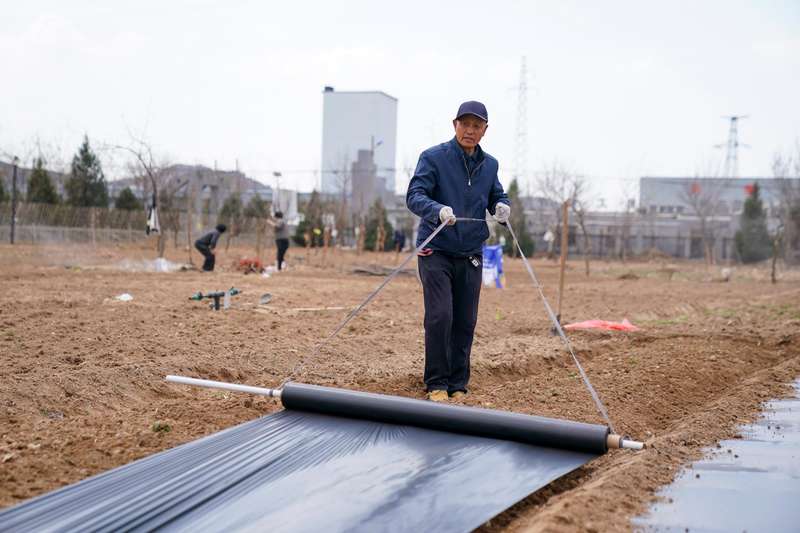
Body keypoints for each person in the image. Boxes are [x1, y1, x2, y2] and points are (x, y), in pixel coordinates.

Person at [406, 101, 511, 402]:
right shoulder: (433, 158)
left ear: (484, 131)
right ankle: (437, 382)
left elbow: (496, 196)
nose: (470, 130)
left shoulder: (490, 165)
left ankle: (458, 383)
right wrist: (436, 210)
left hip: (470, 251)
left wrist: (502, 207)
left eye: (476, 126)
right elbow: (415, 196)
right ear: (455, 125)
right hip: (436, 248)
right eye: (465, 124)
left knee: (466, 320)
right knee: (440, 316)